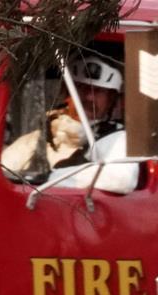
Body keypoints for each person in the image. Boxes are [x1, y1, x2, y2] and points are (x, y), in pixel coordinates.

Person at [47, 54, 138, 195]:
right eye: (82, 87)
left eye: (98, 91)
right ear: (67, 92)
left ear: (111, 99)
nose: (89, 97)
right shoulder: (36, 138)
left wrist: (53, 178)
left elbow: (122, 179)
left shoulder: (117, 139)